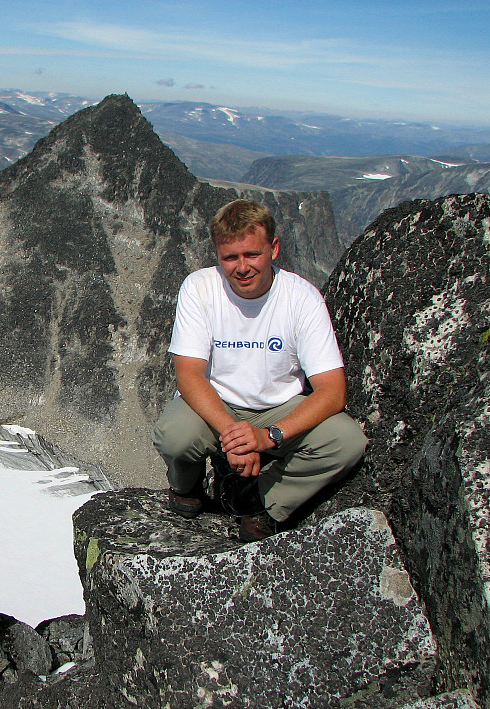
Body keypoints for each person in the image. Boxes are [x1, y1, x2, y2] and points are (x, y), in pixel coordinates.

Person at [153, 199, 367, 542]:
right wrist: (235, 436)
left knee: (346, 441)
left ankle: (260, 502)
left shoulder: (302, 298)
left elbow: (332, 390)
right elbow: (189, 374)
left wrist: (267, 437)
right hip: (217, 405)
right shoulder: (200, 288)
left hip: (279, 408)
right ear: (217, 256)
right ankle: (187, 485)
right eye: (230, 257)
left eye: (252, 254)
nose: (242, 267)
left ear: (274, 248)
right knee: (175, 435)